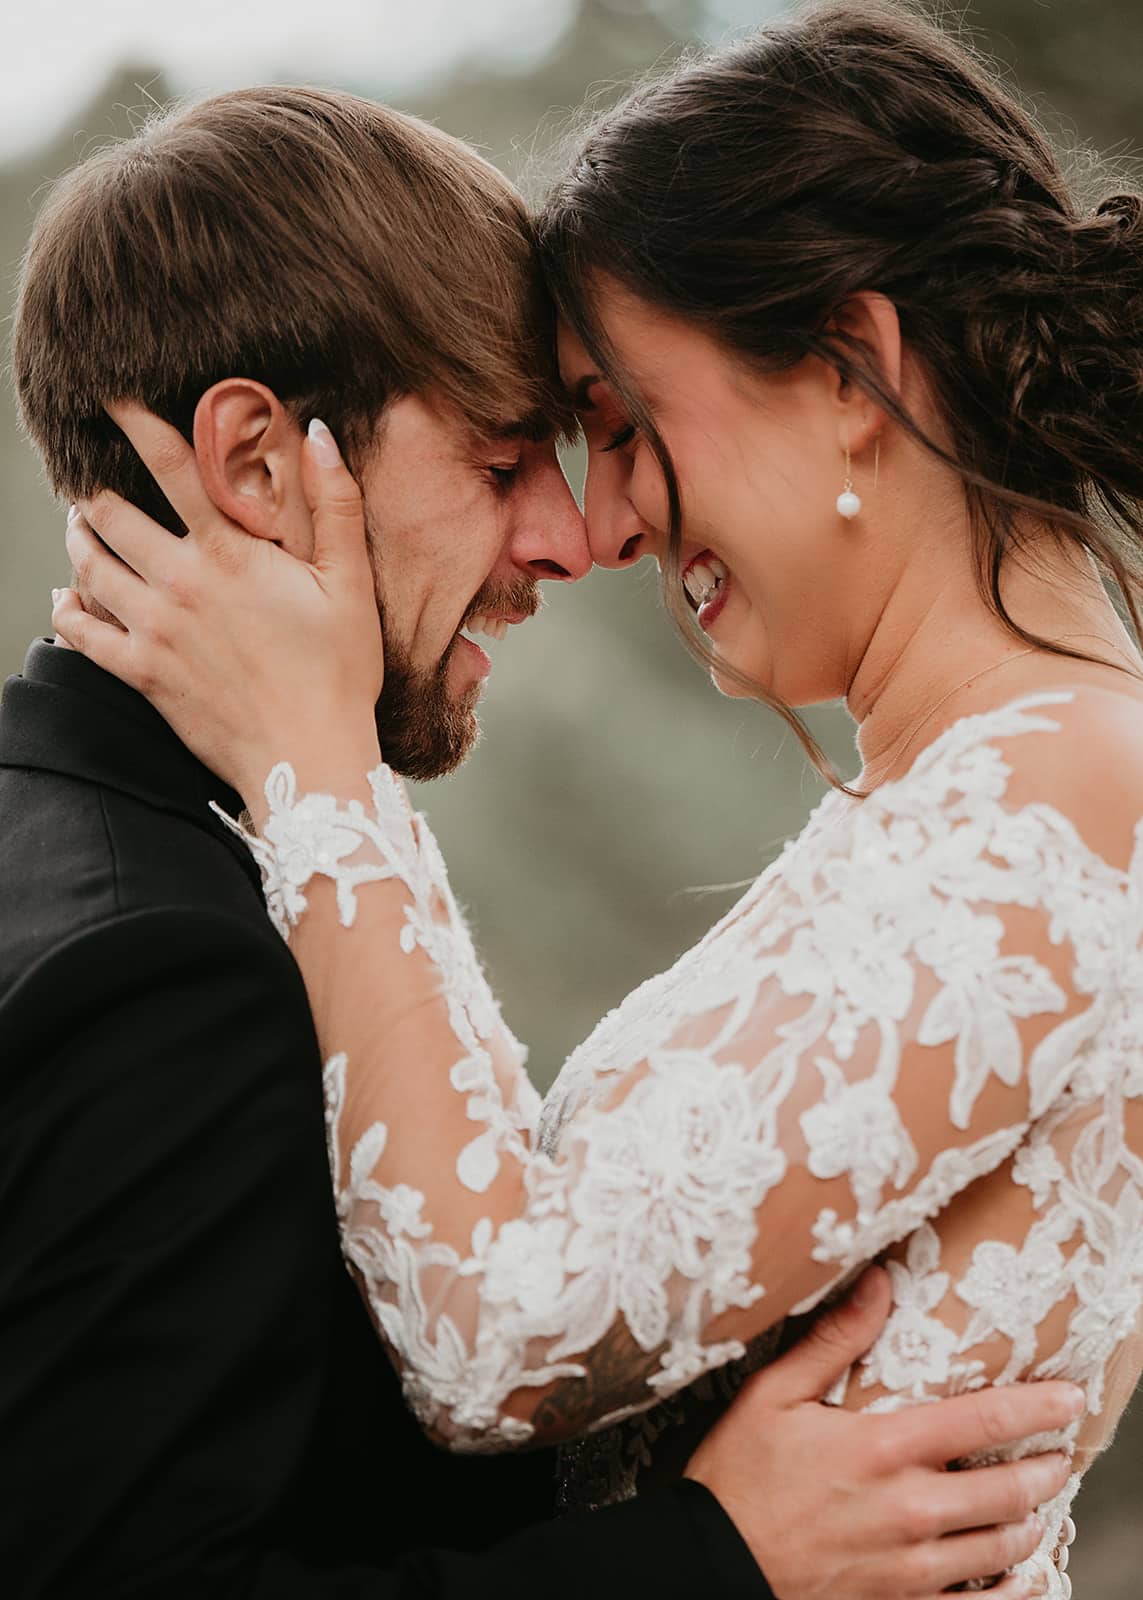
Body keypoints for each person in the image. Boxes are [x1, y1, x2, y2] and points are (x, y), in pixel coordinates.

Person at [49, 0, 1143, 1588]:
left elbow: (497, 1341)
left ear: (851, 368)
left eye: (624, 425)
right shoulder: (975, 797)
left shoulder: (1060, 803)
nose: (607, 522)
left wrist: (321, 769)